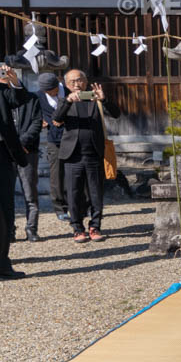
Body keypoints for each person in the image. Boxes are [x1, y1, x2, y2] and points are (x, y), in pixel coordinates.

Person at [53, 70, 119, 243]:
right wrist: (68, 101)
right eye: (73, 81)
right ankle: (77, 228)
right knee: (74, 193)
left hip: (94, 153)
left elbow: (116, 113)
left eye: (80, 80)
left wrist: (103, 99)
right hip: (72, 155)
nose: (77, 84)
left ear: (86, 81)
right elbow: (56, 119)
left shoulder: (96, 100)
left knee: (96, 193)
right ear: (67, 85)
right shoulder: (64, 101)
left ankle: (95, 226)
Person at [0, 64, 32, 279]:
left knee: (4, 210)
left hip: (1, 154)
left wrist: (14, 81)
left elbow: (20, 99)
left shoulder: (1, 91)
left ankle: (2, 264)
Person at [9, 80, 42, 242]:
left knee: (30, 192)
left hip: (27, 151)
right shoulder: (2, 98)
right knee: (6, 195)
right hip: (5, 152)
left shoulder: (31, 99)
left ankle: (31, 228)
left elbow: (37, 123)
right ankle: (9, 230)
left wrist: (21, 143)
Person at [36, 72, 70, 222]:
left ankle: (78, 205)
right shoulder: (39, 96)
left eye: (53, 90)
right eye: (48, 92)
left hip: (72, 137)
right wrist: (40, 120)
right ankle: (60, 208)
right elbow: (34, 114)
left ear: (58, 84)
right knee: (56, 174)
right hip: (54, 139)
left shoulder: (69, 92)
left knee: (75, 173)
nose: (51, 93)